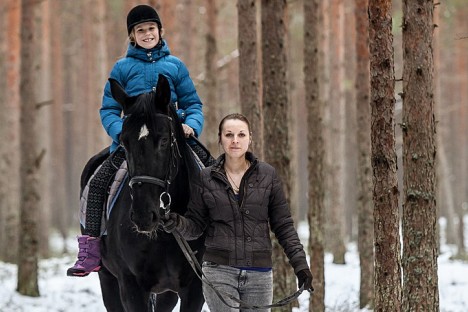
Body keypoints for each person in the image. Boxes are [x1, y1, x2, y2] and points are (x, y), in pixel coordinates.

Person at [67, 4, 206, 277]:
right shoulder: (122, 67)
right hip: (134, 141)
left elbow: (193, 104)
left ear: (160, 31)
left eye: (151, 29)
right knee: (98, 182)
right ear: (132, 36)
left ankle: (221, 240)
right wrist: (121, 133)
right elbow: (108, 109)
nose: (147, 34)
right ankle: (91, 248)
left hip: (171, 139)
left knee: (213, 174)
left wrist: (191, 125)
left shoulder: (175, 66)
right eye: (140, 30)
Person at [162, 113, 313, 311]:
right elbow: (196, 225)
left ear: (250, 138)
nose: (235, 140)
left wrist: (300, 265)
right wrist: (178, 223)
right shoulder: (205, 177)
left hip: (260, 275)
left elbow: (283, 226)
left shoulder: (268, 175)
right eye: (229, 135)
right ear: (220, 138)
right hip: (218, 272)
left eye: (241, 135)